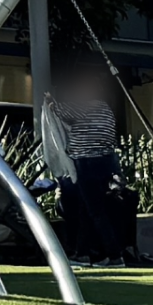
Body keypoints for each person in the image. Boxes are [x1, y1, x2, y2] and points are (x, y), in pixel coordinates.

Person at [54, 69, 126, 263]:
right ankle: (82, 252)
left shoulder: (83, 107)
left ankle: (114, 254)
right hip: (104, 163)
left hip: (86, 163)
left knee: (95, 211)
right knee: (89, 209)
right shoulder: (105, 108)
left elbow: (58, 110)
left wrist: (50, 100)